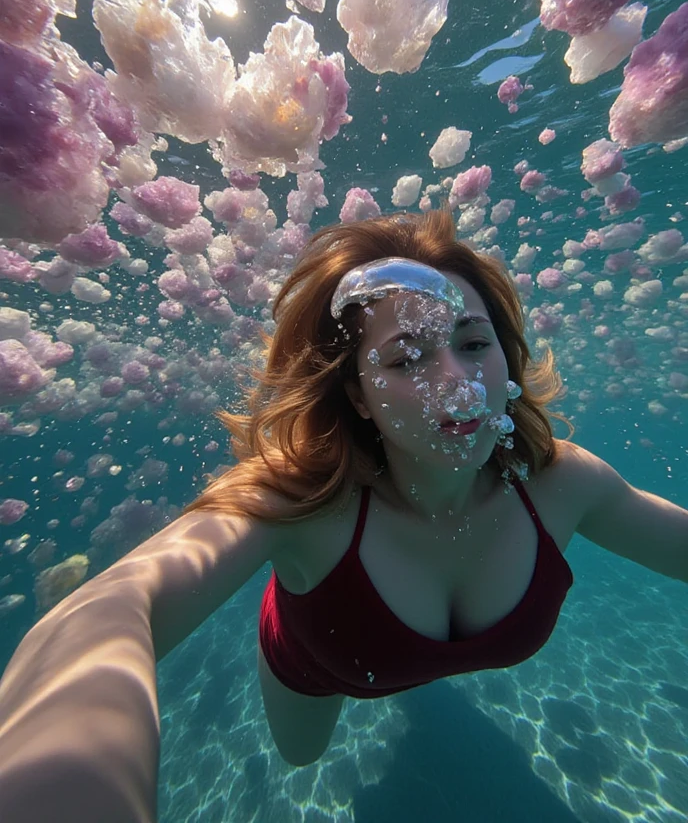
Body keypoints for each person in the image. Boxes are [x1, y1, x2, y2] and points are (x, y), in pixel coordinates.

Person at [0, 206, 686, 822]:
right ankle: (293, 596)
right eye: (406, 356)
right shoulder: (298, 500)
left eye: (474, 343)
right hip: (321, 664)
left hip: (371, 648)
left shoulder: (562, 481)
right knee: (301, 755)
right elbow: (109, 608)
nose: (456, 380)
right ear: (358, 396)